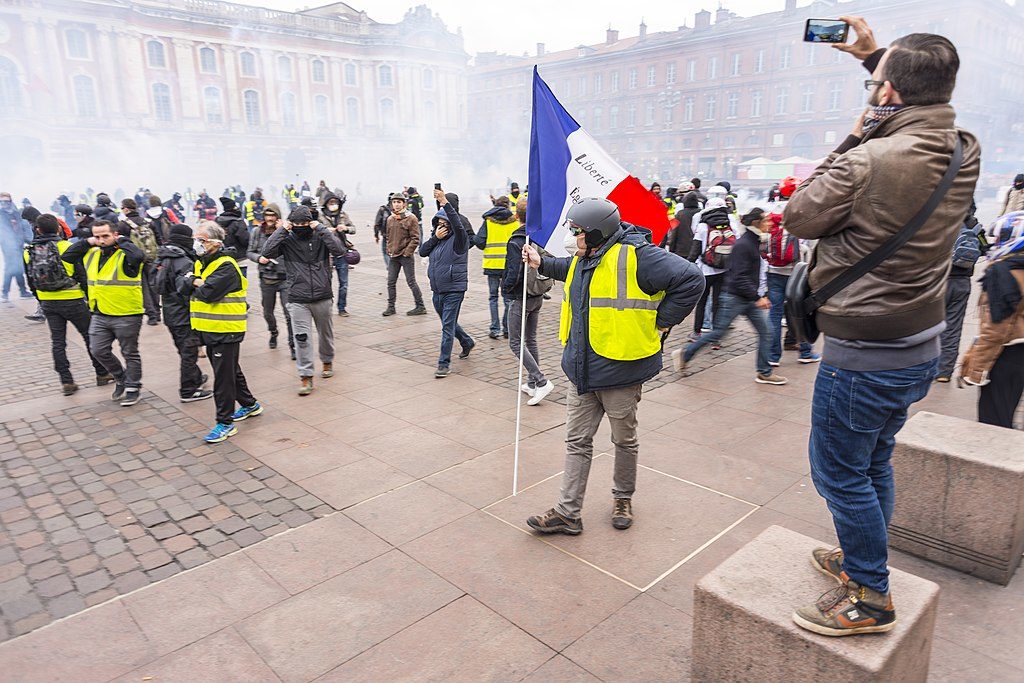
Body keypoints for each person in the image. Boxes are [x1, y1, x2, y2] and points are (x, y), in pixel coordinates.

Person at [783, 18, 980, 636]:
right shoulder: (964, 149)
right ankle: (860, 557)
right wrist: (877, 63)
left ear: (888, 95)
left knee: (839, 472)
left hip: (864, 350)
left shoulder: (866, 161)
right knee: (873, 462)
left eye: (882, 81)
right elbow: (924, 115)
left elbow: (798, 214)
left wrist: (853, 132)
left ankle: (870, 594)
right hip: (916, 343)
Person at [523, 198, 705, 535]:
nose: (571, 237)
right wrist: (540, 263)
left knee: (624, 440)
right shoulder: (584, 256)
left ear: (595, 235)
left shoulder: (639, 256)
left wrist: (662, 321)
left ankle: (623, 498)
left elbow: (692, 279)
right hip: (581, 368)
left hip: (621, 369)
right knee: (577, 441)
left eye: (576, 231)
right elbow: (570, 268)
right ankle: (567, 513)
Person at [677, 208, 788, 385]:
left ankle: (764, 372)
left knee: (767, 332)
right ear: (756, 223)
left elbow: (753, 273)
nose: (769, 224)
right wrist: (758, 297)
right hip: (735, 297)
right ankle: (686, 353)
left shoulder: (753, 241)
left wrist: (760, 294)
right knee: (718, 333)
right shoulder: (744, 244)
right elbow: (739, 276)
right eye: (766, 220)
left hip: (748, 298)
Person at [180, 223, 261, 443]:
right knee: (230, 370)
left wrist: (193, 281)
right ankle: (250, 404)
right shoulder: (202, 263)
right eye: (196, 239)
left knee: (223, 378)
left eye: (202, 240)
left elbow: (207, 293)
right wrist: (193, 280)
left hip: (226, 329)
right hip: (209, 328)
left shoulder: (226, 266)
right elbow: (181, 284)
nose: (197, 243)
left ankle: (224, 423)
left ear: (216, 243)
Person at [62, 219, 148, 407]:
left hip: (126, 312)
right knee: (98, 350)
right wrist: (88, 241)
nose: (101, 240)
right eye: (98, 236)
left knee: (129, 352)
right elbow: (67, 256)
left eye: (105, 236)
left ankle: (133, 387)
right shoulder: (92, 253)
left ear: (115, 235)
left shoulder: (125, 255)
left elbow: (138, 256)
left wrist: (122, 241)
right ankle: (121, 378)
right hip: (100, 312)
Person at [262, 205, 345, 395]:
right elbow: (266, 252)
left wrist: (322, 229)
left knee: (325, 333)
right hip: (297, 297)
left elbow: (339, 250)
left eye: (304, 223)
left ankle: (327, 361)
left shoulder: (320, 237)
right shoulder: (287, 241)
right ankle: (306, 376)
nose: (301, 226)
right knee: (302, 338)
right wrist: (282, 229)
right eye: (297, 223)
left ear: (311, 222)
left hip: (322, 295)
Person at [23, 214, 110, 394]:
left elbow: (30, 279)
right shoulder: (66, 247)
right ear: (58, 229)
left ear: (37, 230)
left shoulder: (28, 251)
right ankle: (102, 373)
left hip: (48, 301)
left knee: (58, 342)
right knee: (89, 337)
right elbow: (81, 275)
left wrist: (40, 299)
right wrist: (88, 297)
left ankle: (67, 381)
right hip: (73, 300)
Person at [959, 211, 1024, 427]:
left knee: (993, 420)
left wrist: (977, 369)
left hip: (1006, 356)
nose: (995, 243)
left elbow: (996, 329)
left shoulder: (1002, 272)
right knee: (1007, 412)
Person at [764, 178, 821, 367]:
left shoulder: (769, 212)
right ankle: (805, 351)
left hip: (774, 271)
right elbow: (810, 244)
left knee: (774, 314)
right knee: (800, 310)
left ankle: (773, 357)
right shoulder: (801, 212)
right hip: (797, 273)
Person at [503, 196, 554, 404]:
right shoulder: (539, 237)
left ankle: (541, 382)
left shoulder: (517, 240)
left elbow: (514, 272)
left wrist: (505, 288)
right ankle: (532, 383)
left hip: (520, 296)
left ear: (517, 216)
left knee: (515, 342)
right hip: (537, 293)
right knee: (530, 339)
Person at [419, 188, 475, 378]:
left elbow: (459, 225)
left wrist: (445, 203)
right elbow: (422, 251)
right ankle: (466, 341)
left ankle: (444, 363)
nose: (442, 226)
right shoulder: (437, 239)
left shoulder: (460, 240)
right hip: (437, 289)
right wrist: (436, 237)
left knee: (447, 327)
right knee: (447, 323)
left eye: (445, 223)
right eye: (439, 223)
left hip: (454, 289)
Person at [155, 223, 211, 403]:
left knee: (184, 349)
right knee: (189, 351)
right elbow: (187, 289)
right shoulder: (183, 261)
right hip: (183, 314)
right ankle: (188, 390)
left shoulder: (163, 257)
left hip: (170, 313)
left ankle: (196, 377)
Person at [936, 202, 986, 382]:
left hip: (938, 280)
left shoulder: (939, 221)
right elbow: (984, 248)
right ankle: (944, 372)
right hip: (962, 283)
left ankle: (925, 367)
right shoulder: (975, 225)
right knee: (953, 328)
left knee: (928, 325)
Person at [247, 203, 294, 358]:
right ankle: (273, 332)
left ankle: (292, 344)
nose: (269, 219)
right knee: (268, 312)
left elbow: (295, 249)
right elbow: (249, 252)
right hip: (267, 279)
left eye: (273, 215)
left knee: (289, 313)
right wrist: (259, 258)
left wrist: (285, 231)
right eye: (267, 215)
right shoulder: (256, 232)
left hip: (285, 278)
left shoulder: (285, 232)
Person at [686, 198, 732, 340]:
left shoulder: (702, 226)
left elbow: (695, 251)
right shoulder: (729, 223)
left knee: (702, 301)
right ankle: (716, 337)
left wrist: (687, 267)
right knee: (718, 303)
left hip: (705, 270)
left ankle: (697, 332)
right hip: (723, 269)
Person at [473, 195, 519, 338]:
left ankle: (494, 328)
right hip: (508, 265)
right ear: (508, 206)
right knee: (508, 298)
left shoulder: (488, 222)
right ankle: (507, 329)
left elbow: (479, 242)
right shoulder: (515, 222)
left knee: (493, 297)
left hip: (492, 264)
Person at [118, 198, 161, 327]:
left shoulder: (123, 224)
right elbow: (159, 239)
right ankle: (158, 312)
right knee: (153, 286)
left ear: (126, 208)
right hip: (152, 258)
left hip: (137, 260)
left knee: (144, 288)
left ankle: (151, 315)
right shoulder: (148, 222)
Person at [382, 192, 425, 317]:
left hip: (406, 256)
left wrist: (407, 252)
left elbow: (416, 238)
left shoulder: (411, 218)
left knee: (411, 281)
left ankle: (420, 306)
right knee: (391, 282)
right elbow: (388, 236)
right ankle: (391, 307)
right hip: (394, 256)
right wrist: (389, 249)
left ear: (404, 204)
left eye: (399, 202)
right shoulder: (390, 219)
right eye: (394, 202)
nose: (396, 204)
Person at [319, 191, 355, 316]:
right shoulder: (320, 217)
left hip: (341, 253)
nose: (333, 205)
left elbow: (353, 229)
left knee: (343, 284)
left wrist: (345, 228)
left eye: (335, 203)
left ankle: (342, 308)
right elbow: (313, 232)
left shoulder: (343, 215)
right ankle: (327, 308)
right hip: (326, 254)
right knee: (326, 283)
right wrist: (324, 231)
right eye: (331, 203)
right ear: (326, 204)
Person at [1, 193, 33, 302]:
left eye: (6, 201)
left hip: (18, 243)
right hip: (7, 245)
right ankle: (5, 293)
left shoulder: (15, 213)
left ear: (10, 202)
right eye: (2, 201)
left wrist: (26, 239)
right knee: (10, 267)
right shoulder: (1, 214)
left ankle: (22, 291)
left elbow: (22, 227)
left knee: (18, 266)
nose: (4, 204)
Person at [215, 197, 251, 276]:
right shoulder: (238, 222)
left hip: (221, 258)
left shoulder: (216, 222)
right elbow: (245, 240)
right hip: (239, 258)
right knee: (241, 284)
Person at [373, 196, 391, 267]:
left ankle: (390, 269)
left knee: (385, 253)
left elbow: (377, 224)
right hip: (397, 236)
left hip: (386, 236)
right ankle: (392, 269)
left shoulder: (383, 209)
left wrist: (376, 236)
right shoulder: (400, 210)